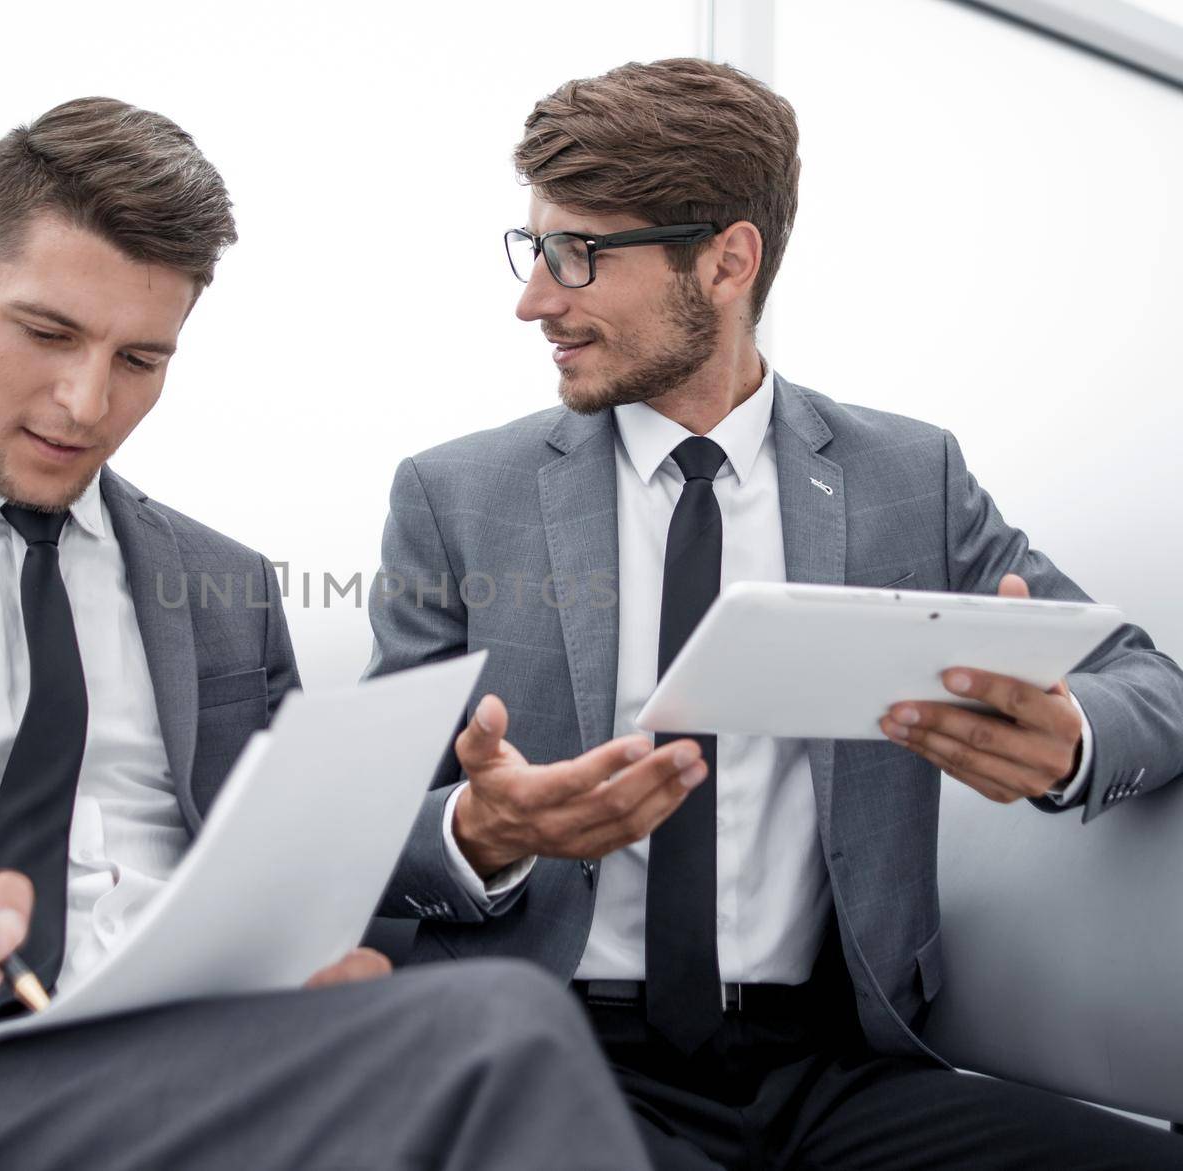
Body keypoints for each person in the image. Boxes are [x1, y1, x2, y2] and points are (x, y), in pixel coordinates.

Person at [0, 97, 653, 1171]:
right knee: (503, 1028)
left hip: (191, 1060)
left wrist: (368, 929)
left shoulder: (222, 584)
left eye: (140, 360)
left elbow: (296, 881)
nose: (84, 402)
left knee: (475, 1038)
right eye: (48, 334)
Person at [364, 58, 1183, 1168]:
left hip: (837, 1064)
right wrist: (482, 829)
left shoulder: (909, 477)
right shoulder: (454, 496)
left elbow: (1149, 685)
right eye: (534, 250)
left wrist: (1066, 740)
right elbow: (367, 839)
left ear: (725, 262)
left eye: (577, 255)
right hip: (560, 1048)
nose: (534, 298)